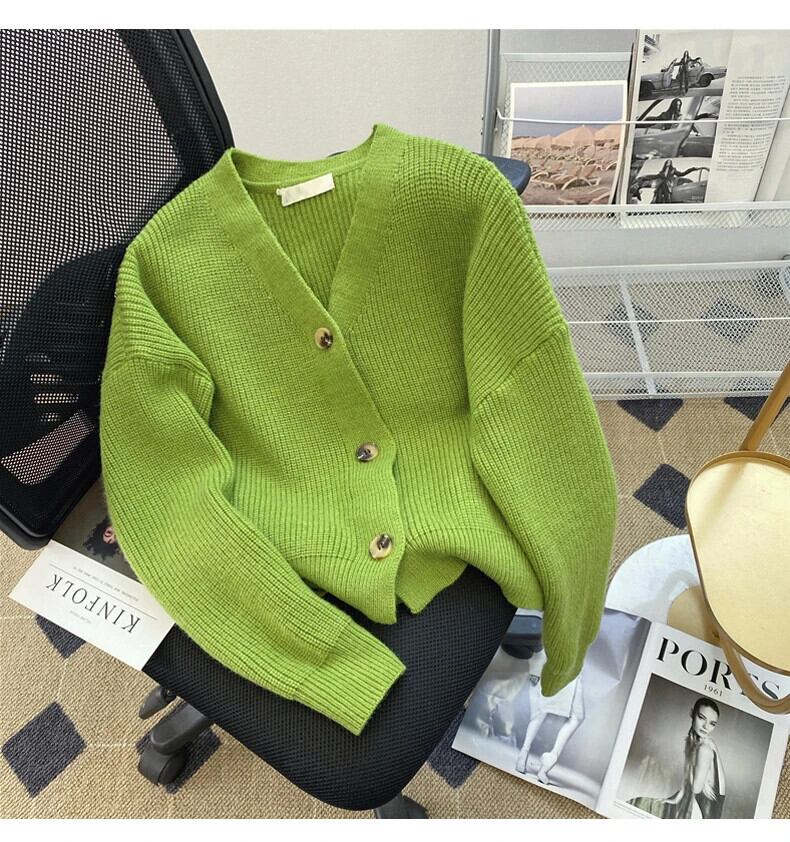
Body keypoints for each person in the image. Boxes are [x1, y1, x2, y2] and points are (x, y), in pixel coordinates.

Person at [627, 697, 727, 819]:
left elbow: (696, 788)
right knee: (640, 804)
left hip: (702, 812)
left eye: (712, 724)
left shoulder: (704, 749)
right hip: (694, 803)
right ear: (692, 713)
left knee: (639, 805)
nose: (706, 726)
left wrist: (678, 796)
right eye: (702, 718)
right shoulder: (694, 743)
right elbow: (689, 787)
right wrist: (676, 797)